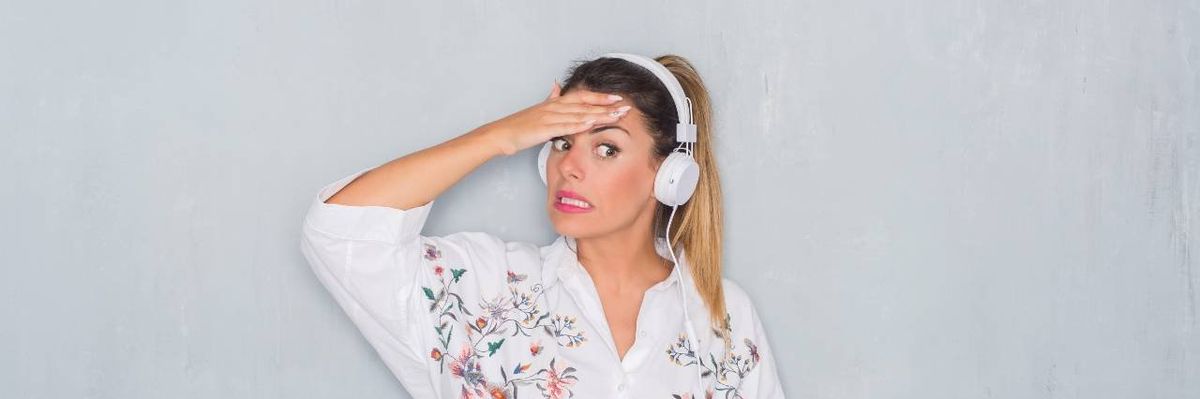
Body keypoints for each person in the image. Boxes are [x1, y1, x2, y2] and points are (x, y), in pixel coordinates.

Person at [299, 53, 785, 398]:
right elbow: (343, 230)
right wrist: (501, 137)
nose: (570, 166)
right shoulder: (482, 291)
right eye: (560, 142)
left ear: (668, 176)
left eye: (606, 148)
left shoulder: (723, 318)